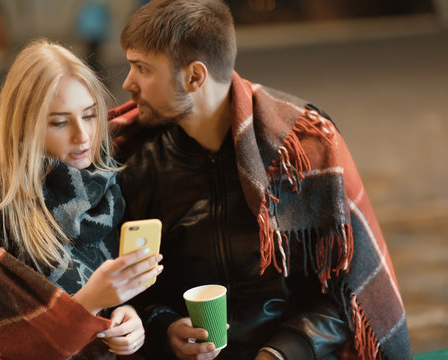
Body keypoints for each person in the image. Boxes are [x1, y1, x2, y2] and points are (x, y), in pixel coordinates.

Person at [108, 0, 413, 359]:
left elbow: (348, 291)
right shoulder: (131, 158)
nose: (127, 83)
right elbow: (126, 289)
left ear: (195, 77)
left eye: (142, 69)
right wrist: (165, 327)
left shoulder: (304, 146)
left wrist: (282, 352)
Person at [0, 39, 163, 359]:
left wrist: (127, 319)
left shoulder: (105, 179)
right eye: (59, 122)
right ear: (25, 126)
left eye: (89, 116)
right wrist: (91, 301)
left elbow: (113, 309)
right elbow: (11, 343)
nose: (83, 136)